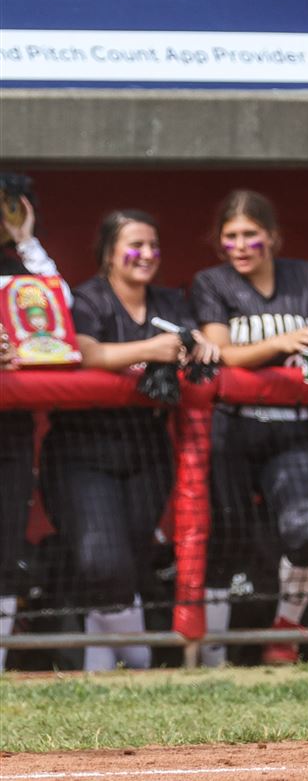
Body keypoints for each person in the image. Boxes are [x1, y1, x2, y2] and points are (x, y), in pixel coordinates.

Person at [38, 209, 219, 672]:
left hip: (145, 446)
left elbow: (190, 340)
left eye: (153, 245)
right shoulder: (87, 298)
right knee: (102, 561)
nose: (147, 255)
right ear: (109, 253)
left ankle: (105, 674)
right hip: (83, 447)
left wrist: (202, 345)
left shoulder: (168, 300)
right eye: (135, 245)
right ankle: (136, 661)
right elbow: (84, 351)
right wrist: (147, 350)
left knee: (133, 557)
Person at [191, 190, 308, 666]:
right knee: (225, 535)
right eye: (230, 237)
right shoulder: (211, 282)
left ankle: (284, 629)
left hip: (291, 427)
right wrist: (281, 342)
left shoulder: (307, 277)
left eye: (250, 236)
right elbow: (222, 352)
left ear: (272, 239)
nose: (239, 246)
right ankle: (212, 657)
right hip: (231, 429)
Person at [0, 177, 71, 672]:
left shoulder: (20, 267)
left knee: (5, 546)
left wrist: (25, 240)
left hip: (9, 430)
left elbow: (62, 311)